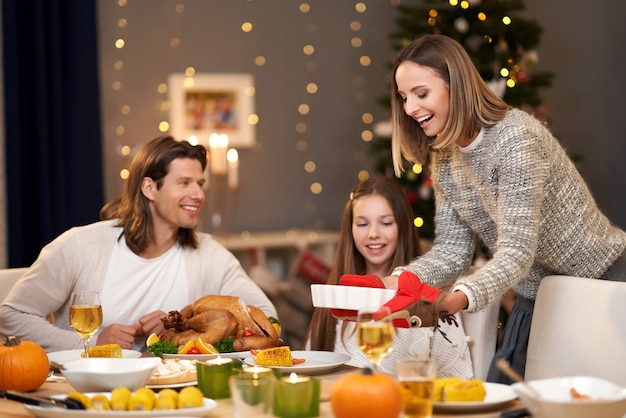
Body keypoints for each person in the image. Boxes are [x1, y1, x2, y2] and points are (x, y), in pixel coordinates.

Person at [382, 34, 626, 383]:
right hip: (538, 293)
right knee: (510, 401)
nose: (409, 108)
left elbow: (516, 250)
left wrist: (461, 297)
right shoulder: (447, 157)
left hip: (601, 286)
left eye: (421, 94)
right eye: (404, 97)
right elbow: (453, 250)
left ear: (457, 86)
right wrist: (401, 280)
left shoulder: (515, 139)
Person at [0, 135, 276, 352]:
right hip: (90, 392)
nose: (198, 194)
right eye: (184, 183)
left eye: (200, 183)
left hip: (178, 393)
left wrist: (180, 325)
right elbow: (11, 315)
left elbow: (266, 319)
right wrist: (92, 343)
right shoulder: (82, 246)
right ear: (149, 188)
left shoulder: (210, 255)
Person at [305, 176, 474, 378]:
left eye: (386, 223)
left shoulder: (432, 297)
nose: (373, 233)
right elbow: (312, 369)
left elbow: (457, 379)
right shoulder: (337, 298)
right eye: (362, 224)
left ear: (402, 227)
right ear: (350, 230)